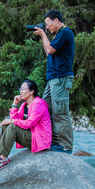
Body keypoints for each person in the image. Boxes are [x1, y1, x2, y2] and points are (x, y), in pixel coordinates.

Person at [33, 9, 75, 154]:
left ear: (56, 20)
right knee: (47, 109)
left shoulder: (65, 32)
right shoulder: (59, 35)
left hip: (61, 78)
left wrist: (43, 34)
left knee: (61, 112)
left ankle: (66, 146)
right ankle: (55, 142)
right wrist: (43, 35)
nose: (47, 27)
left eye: (47, 23)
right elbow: (48, 50)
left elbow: (50, 50)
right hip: (54, 79)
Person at [0, 80, 52, 172]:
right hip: (30, 136)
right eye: (20, 89)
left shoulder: (38, 104)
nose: (21, 91)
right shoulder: (24, 105)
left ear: (31, 91)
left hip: (39, 139)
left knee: (12, 126)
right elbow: (16, 119)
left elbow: (29, 123)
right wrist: (14, 105)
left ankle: (3, 159)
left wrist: (11, 121)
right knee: (7, 126)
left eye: (23, 89)